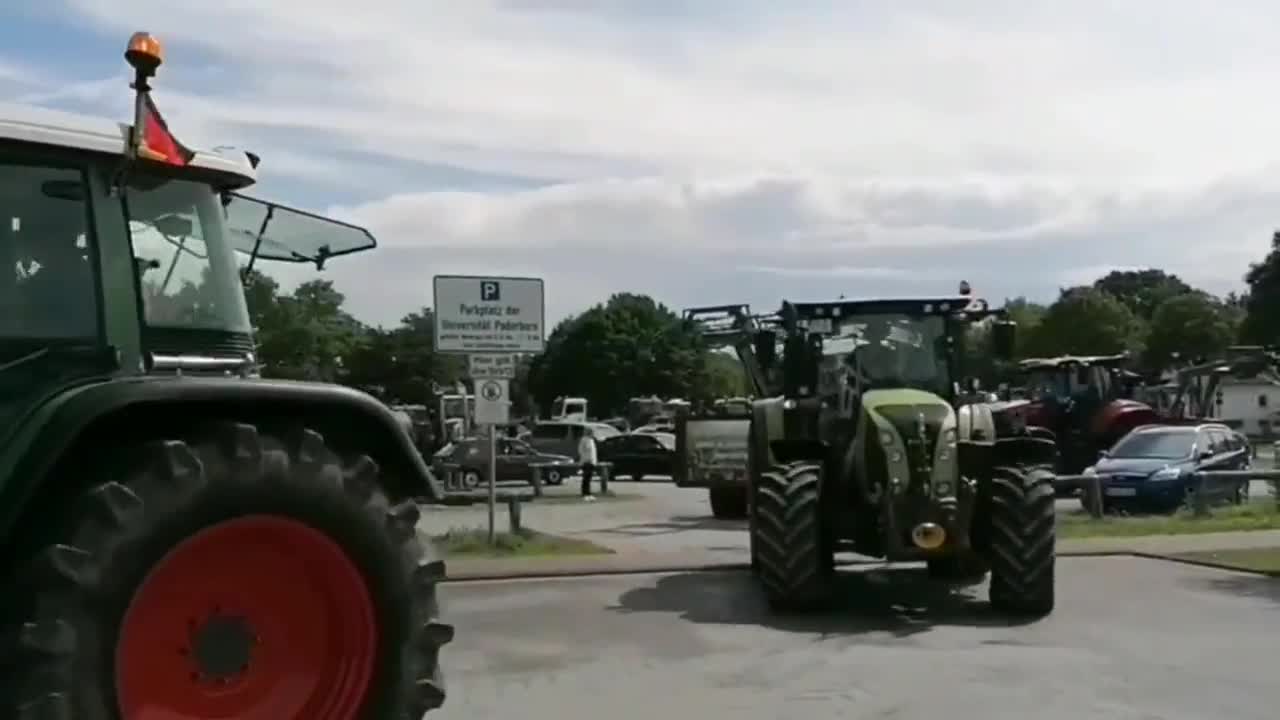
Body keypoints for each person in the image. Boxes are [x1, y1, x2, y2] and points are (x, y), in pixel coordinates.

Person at [578, 428, 598, 501]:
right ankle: (585, 493)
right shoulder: (584, 440)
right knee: (586, 478)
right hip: (586, 462)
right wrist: (586, 459)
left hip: (591, 462)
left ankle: (588, 493)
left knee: (589, 478)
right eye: (592, 432)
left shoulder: (591, 440)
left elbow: (593, 452)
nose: (593, 434)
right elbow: (581, 450)